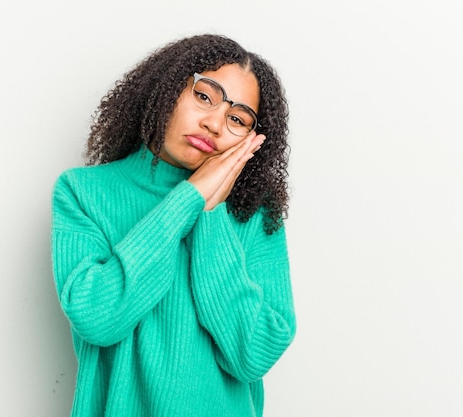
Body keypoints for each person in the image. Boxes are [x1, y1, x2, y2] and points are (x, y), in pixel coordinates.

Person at [51, 34, 296, 417]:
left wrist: (211, 214)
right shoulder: (83, 192)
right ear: (167, 88)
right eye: (204, 96)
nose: (215, 124)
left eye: (237, 119)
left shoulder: (254, 214)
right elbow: (98, 319)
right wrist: (189, 198)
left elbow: (254, 353)